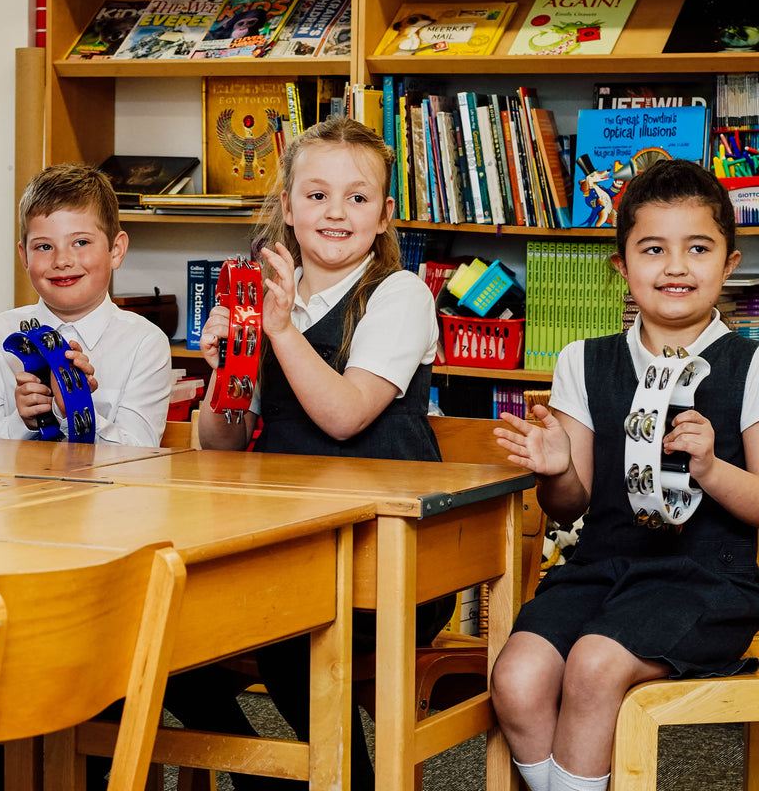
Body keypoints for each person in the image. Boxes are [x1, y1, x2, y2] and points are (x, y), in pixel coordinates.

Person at [164, 116, 453, 790]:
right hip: (294, 548)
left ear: (384, 217)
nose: (335, 212)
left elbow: (347, 416)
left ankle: (347, 780)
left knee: (295, 644)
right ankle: (271, 777)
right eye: (317, 195)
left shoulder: (399, 295)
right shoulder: (271, 304)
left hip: (394, 560)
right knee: (171, 640)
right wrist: (227, 371)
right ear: (288, 208)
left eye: (358, 198)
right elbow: (223, 448)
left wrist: (280, 332)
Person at [490, 158, 759, 791]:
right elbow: (566, 508)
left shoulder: (750, 367)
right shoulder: (584, 361)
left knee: (592, 664)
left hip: (707, 582)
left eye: (698, 248)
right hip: (600, 570)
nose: (674, 267)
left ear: (728, 263)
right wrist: (554, 468)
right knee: (518, 676)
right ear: (621, 266)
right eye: (652, 249)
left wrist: (712, 468)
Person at [0, 163, 172, 447]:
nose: (62, 261)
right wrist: (21, 421)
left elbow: (140, 453)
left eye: (81, 242)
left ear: (116, 250)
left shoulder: (145, 343)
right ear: (24, 256)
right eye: (44, 247)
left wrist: (71, 411)